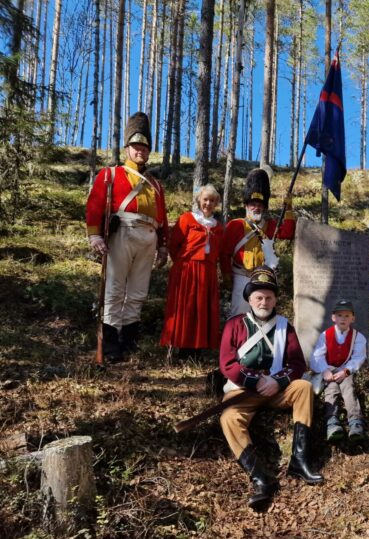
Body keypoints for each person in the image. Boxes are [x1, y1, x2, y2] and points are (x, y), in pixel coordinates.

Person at [219, 266, 323, 509]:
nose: (263, 302)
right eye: (258, 297)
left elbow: (297, 363)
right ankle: (261, 478)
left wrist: (277, 381)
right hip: (243, 390)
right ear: (250, 299)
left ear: (275, 299)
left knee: (303, 388)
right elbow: (227, 363)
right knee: (229, 418)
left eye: (268, 297)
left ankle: (299, 461)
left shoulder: (286, 327)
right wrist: (256, 381)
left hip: (276, 388)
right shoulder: (235, 325)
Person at [86, 112, 169, 363]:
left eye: (144, 147)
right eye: (136, 146)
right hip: (121, 232)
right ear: (128, 148)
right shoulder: (111, 175)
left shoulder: (155, 184)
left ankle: (129, 341)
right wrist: (95, 236)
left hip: (149, 236)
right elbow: (94, 206)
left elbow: (163, 217)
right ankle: (111, 345)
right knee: (114, 290)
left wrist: (163, 247)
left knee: (137, 291)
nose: (140, 151)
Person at [221, 168, 296, 317]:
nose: (256, 207)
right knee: (239, 316)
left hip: (263, 278)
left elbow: (288, 232)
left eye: (260, 204)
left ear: (265, 206)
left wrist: (288, 208)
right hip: (241, 275)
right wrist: (227, 277)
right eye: (252, 204)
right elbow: (224, 254)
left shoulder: (270, 226)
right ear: (246, 205)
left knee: (262, 317)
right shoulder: (235, 225)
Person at [160, 185, 224, 357]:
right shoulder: (187, 219)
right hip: (187, 270)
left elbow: (220, 252)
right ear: (199, 200)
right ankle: (181, 348)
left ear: (216, 203)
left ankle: (198, 349)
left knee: (202, 309)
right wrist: (183, 264)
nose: (208, 203)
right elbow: (174, 246)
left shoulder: (218, 227)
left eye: (212, 201)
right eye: (205, 200)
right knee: (185, 309)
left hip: (208, 271)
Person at [309, 299, 368, 442]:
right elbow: (317, 355)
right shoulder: (325, 335)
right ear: (333, 317)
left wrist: (347, 371)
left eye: (347, 316)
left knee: (349, 389)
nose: (343, 319)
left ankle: (355, 422)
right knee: (331, 390)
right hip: (329, 370)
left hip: (345, 370)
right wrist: (324, 371)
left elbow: (358, 357)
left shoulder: (357, 337)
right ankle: (332, 422)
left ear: (353, 318)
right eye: (340, 315)